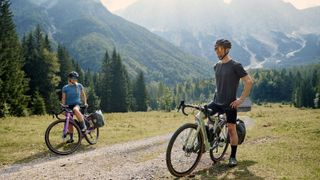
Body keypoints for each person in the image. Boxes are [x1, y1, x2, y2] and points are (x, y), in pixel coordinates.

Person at [208, 39, 253, 167]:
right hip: (217, 101)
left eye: (219, 48)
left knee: (232, 129)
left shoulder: (235, 65)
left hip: (229, 104)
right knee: (201, 113)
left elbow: (249, 81)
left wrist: (241, 100)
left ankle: (233, 156)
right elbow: (219, 84)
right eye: (215, 48)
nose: (217, 51)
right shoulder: (216, 66)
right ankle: (208, 139)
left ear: (227, 49)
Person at [61, 71, 88, 142]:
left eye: (76, 78)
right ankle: (71, 138)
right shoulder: (65, 88)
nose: (75, 79)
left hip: (76, 104)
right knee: (69, 121)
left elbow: (83, 95)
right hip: (68, 106)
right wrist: (63, 106)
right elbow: (63, 98)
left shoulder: (79, 86)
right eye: (73, 78)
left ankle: (83, 126)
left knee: (76, 110)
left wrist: (85, 102)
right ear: (69, 78)